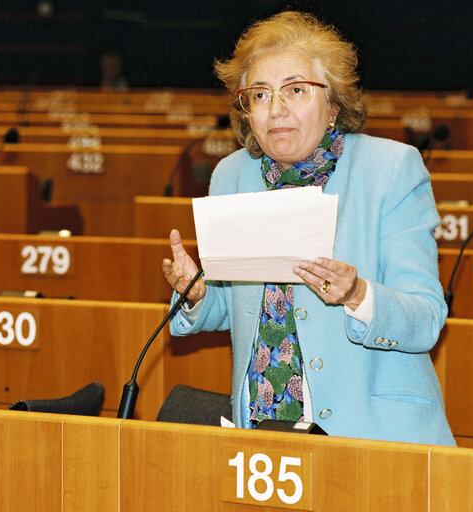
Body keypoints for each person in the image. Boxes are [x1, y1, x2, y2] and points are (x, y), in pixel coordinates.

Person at [162, 11, 454, 446]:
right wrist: (198, 294)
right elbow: (238, 303)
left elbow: (426, 319)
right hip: (262, 426)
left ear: (333, 105)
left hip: (375, 433)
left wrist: (358, 295)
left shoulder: (390, 170)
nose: (276, 109)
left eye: (295, 90)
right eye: (259, 94)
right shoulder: (232, 175)